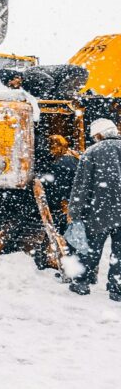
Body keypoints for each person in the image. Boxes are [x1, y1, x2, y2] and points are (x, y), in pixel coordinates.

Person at [66, 118, 121, 299]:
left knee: (90, 249)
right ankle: (117, 288)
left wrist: (74, 211)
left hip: (98, 212)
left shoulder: (92, 152)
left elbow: (81, 187)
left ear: (99, 134)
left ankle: (82, 282)